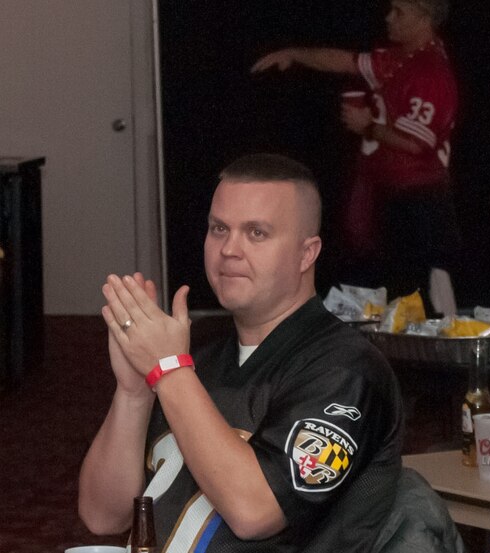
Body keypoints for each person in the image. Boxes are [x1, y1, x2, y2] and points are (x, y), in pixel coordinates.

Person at [77, 154, 404, 551]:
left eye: (256, 233)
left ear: (307, 253)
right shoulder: (198, 363)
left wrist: (168, 369)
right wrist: (134, 394)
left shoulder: (346, 369)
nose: (229, 249)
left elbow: (254, 512)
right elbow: (103, 515)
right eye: (219, 229)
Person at [251, 0, 459, 314]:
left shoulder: (430, 72)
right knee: (387, 291)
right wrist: (293, 54)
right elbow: (344, 61)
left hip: (421, 205)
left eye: (399, 12)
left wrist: (369, 126)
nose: (388, 18)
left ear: (424, 19)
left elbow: (417, 143)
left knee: (423, 302)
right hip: (392, 199)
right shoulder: (397, 59)